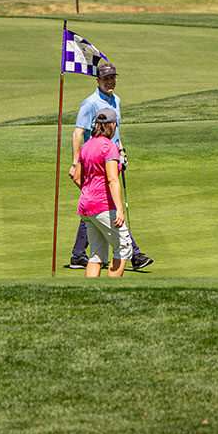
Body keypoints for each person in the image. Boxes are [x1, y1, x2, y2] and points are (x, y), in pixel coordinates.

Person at [66, 62, 154, 270]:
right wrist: (75, 163)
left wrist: (121, 151)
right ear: (98, 81)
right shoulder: (90, 103)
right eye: (106, 79)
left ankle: (78, 254)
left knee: (95, 207)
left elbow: (116, 131)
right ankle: (135, 254)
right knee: (107, 207)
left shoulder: (117, 100)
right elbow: (78, 133)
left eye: (113, 78)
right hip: (95, 160)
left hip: (112, 157)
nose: (110, 82)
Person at [71, 109, 131, 277]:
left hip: (85, 206)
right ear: (112, 125)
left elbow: (76, 177)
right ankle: (110, 289)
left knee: (96, 253)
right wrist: (119, 209)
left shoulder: (86, 146)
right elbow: (112, 179)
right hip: (103, 206)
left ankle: (92, 290)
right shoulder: (109, 147)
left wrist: (89, 191)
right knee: (124, 247)